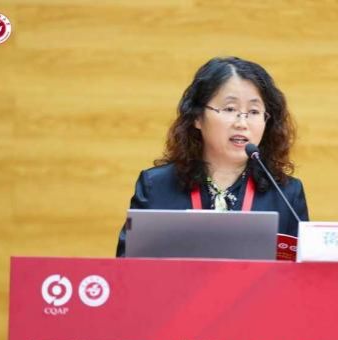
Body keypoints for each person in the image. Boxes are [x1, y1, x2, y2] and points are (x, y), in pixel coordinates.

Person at [116, 56, 308, 257]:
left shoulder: (286, 193)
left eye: (253, 111)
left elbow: (304, 271)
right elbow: (126, 268)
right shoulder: (157, 186)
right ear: (197, 117)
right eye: (230, 109)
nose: (242, 123)